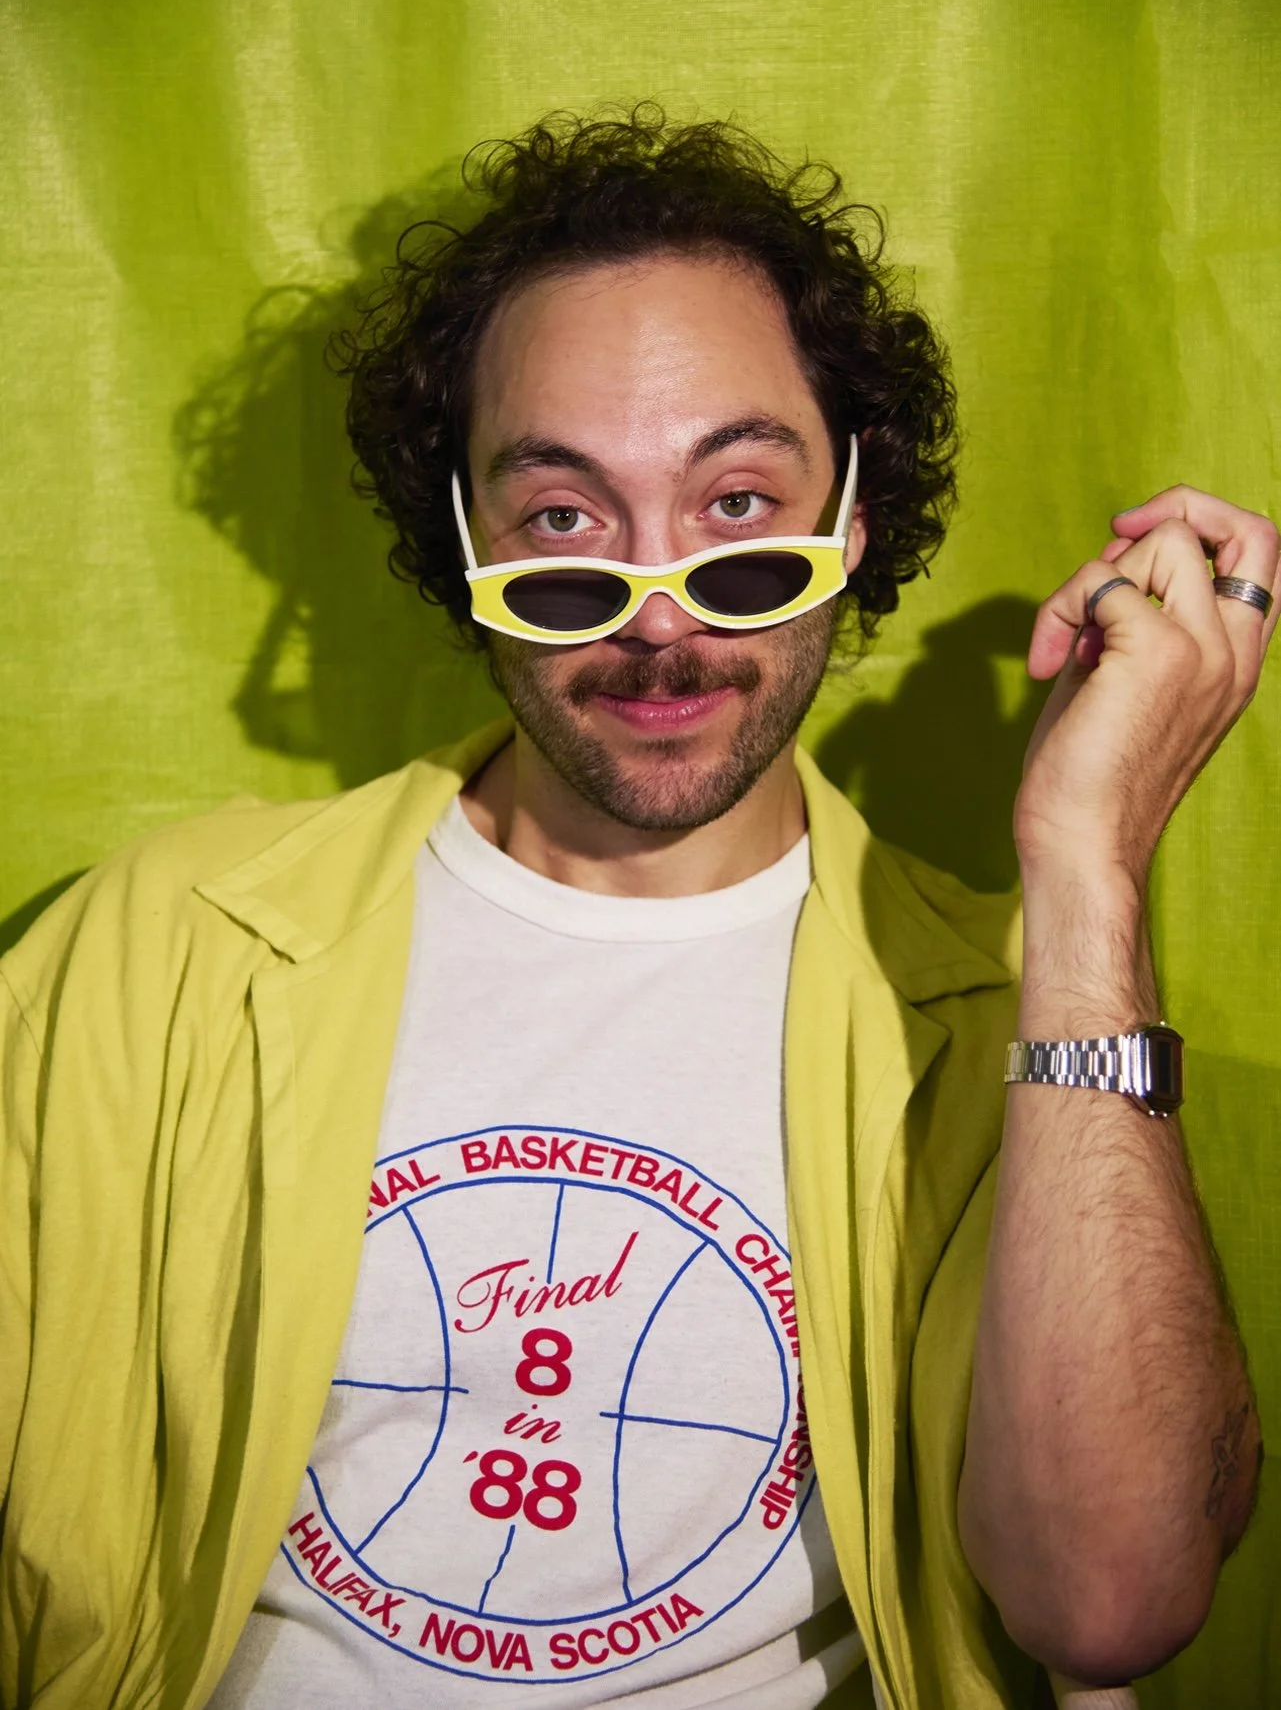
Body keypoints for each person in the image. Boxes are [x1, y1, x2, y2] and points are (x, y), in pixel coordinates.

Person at [2, 110, 1275, 1710]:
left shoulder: (1008, 1019)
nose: (659, 614)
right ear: (456, 545)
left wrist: (1090, 874)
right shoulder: (154, 955)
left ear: (852, 523)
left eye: (738, 503)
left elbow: (1110, 1607)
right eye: (562, 521)